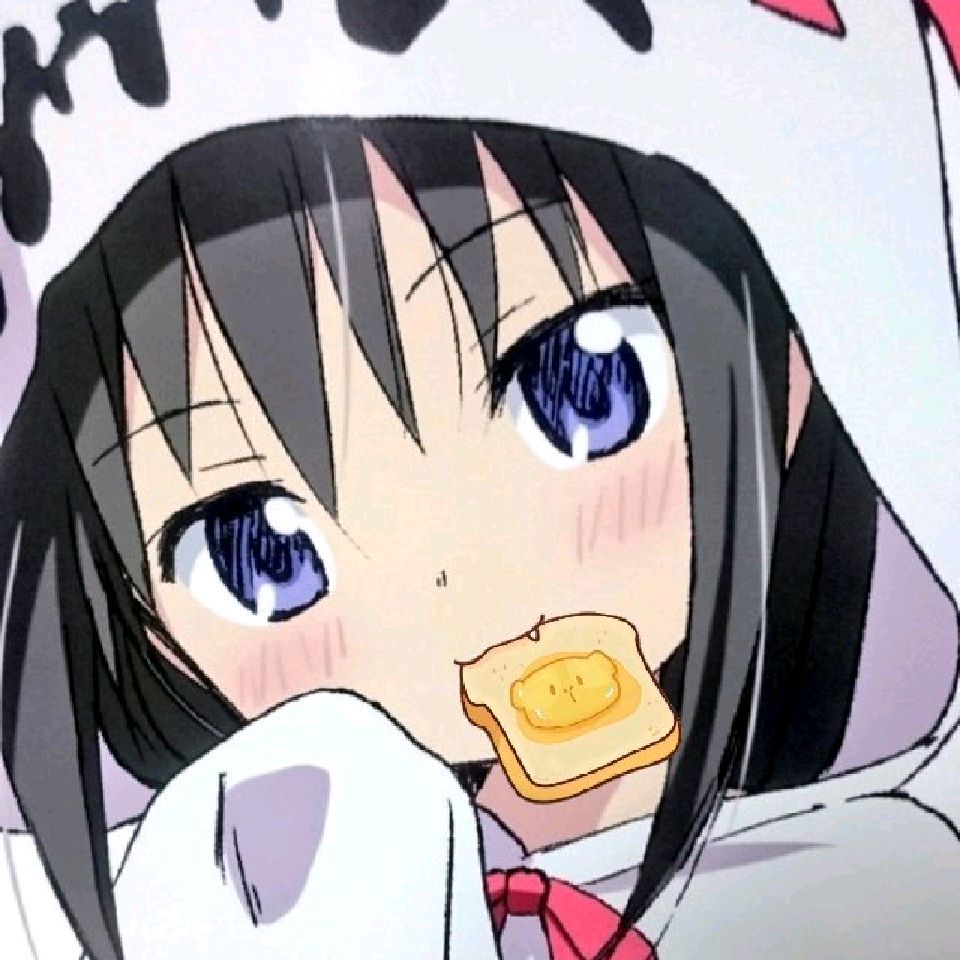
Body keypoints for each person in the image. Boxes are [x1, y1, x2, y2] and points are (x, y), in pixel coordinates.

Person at [0, 4, 957, 959]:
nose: (461, 586)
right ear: (147, 628)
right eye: (259, 555)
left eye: (583, 386)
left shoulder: (875, 866)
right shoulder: (252, 912)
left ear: (788, 362)